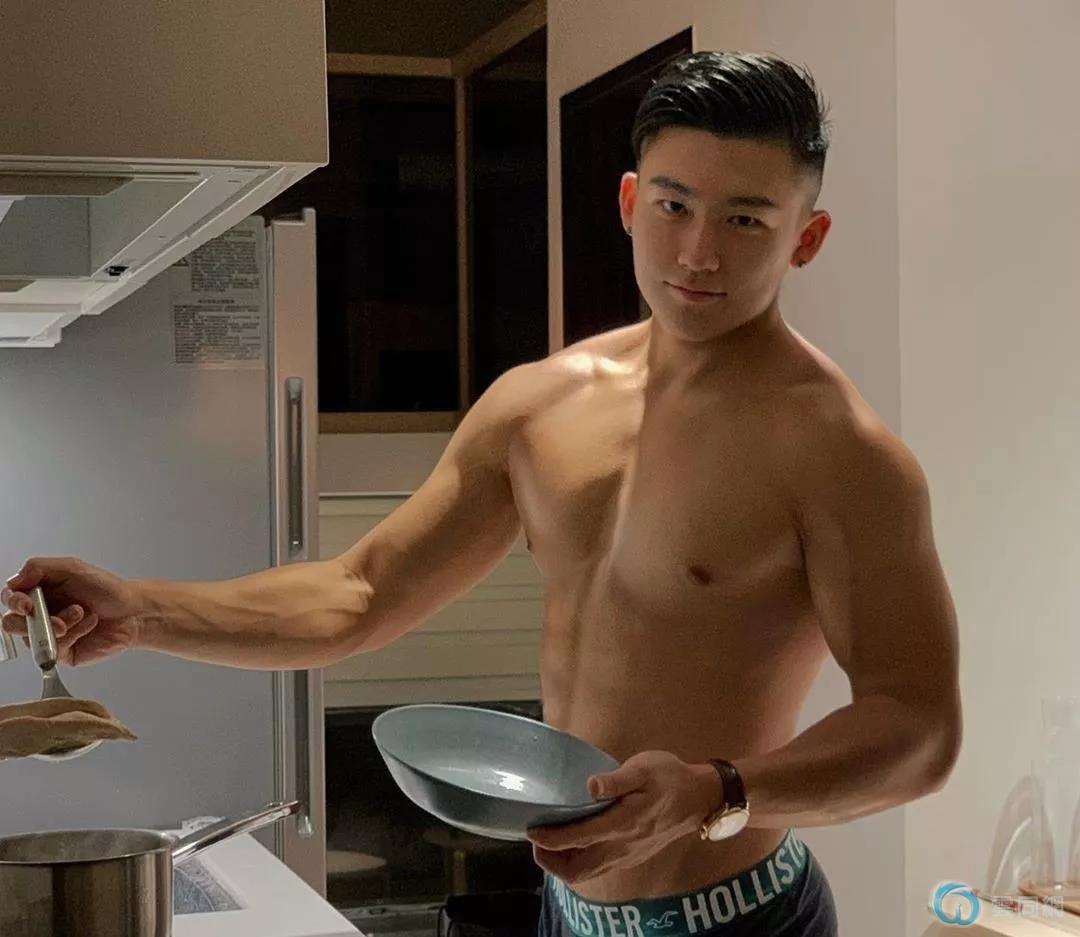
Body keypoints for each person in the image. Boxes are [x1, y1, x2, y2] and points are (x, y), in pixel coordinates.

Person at [2, 51, 961, 937]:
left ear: (806, 238)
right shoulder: (539, 407)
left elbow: (919, 729)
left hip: (739, 917)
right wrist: (140, 610)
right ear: (630, 201)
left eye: (745, 219)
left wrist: (718, 791)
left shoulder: (841, 454)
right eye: (675, 205)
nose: (698, 251)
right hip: (565, 913)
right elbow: (360, 592)